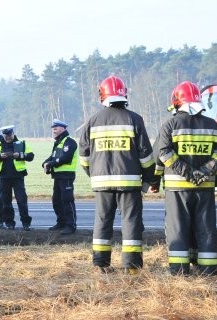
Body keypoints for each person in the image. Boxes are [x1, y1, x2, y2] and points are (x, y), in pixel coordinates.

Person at [79, 75, 155, 274]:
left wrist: (94, 173)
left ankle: (101, 265)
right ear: (124, 94)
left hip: (101, 183)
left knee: (102, 221)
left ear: (102, 95)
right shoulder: (134, 119)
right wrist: (148, 179)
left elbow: (84, 157)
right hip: (129, 183)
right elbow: (146, 155)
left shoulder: (92, 121)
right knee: (131, 222)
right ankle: (131, 268)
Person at [150, 81, 217, 276]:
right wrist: (204, 172)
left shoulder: (170, 125)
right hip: (205, 187)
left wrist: (187, 173)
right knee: (206, 229)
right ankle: (209, 270)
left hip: (177, 189)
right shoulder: (212, 125)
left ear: (177, 101)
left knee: (178, 229)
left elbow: (163, 154)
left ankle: (179, 271)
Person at [0, 125, 34, 230]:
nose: (7, 137)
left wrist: (19, 155)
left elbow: (31, 156)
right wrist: (0, 156)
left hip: (18, 177)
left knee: (22, 201)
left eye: (9, 135)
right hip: (4, 177)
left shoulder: (21, 143)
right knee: (6, 202)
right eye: (5, 135)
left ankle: (26, 223)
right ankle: (9, 223)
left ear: (13, 134)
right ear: (3, 135)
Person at [42, 119, 78, 235]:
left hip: (66, 176)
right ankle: (61, 222)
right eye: (53, 128)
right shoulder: (58, 142)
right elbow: (52, 157)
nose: (54, 130)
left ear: (63, 129)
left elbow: (66, 158)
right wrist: (45, 163)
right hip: (58, 176)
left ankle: (71, 225)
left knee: (67, 201)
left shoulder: (69, 142)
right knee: (56, 201)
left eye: (56, 128)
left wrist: (51, 164)